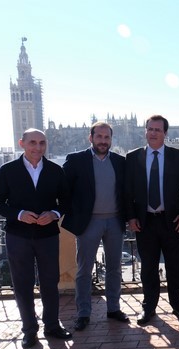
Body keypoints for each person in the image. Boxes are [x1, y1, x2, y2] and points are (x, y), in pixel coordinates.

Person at [0, 128, 72, 349]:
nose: (38, 147)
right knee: (22, 284)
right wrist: (19, 214)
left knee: (50, 283)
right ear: (22, 143)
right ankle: (29, 330)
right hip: (18, 236)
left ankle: (52, 326)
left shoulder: (55, 170)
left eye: (42, 143)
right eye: (33, 142)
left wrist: (54, 214)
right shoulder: (8, 170)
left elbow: (66, 201)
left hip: (47, 235)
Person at [124, 114, 179, 325]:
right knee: (148, 268)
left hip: (172, 221)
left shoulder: (178, 157)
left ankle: (178, 306)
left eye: (157, 130)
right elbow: (126, 192)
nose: (153, 133)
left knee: (175, 267)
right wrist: (130, 217)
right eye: (149, 129)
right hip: (144, 222)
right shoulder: (133, 157)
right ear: (145, 131)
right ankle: (149, 308)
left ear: (165, 133)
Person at [62, 122, 129, 331]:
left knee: (114, 268)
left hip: (115, 221)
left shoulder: (120, 161)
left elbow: (126, 191)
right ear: (90, 138)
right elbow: (64, 190)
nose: (103, 141)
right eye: (99, 136)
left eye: (106, 137)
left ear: (111, 139)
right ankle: (83, 313)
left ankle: (113, 308)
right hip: (89, 222)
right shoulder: (76, 160)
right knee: (84, 270)